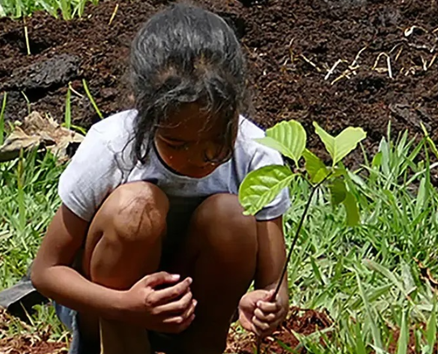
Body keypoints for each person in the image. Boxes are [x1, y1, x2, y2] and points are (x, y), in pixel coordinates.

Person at [30, 3, 291, 354]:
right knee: (136, 207)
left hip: (196, 312)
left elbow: (275, 285)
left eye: (218, 138)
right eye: (177, 143)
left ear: (236, 107)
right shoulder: (111, 147)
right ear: (144, 111)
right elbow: (46, 271)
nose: (201, 157)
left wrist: (264, 304)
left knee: (232, 215)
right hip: (109, 309)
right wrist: (126, 305)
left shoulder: (257, 155)